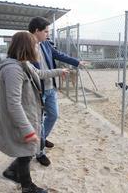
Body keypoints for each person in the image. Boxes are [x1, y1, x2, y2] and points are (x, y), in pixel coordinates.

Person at [0, 31, 68, 193]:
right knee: (28, 146)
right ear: (27, 47)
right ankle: (27, 187)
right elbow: (13, 104)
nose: (38, 48)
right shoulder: (13, 69)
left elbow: (40, 73)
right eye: (35, 45)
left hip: (30, 114)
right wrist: (28, 130)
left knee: (32, 146)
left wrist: (58, 71)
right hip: (20, 118)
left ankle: (12, 171)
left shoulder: (24, 63)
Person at [28, 16, 85, 166]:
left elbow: (59, 55)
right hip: (36, 91)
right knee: (38, 122)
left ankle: (42, 138)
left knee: (53, 115)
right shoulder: (26, 46)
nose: (48, 34)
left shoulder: (46, 44)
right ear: (36, 31)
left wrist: (77, 62)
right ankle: (40, 153)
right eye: (46, 31)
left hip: (50, 88)